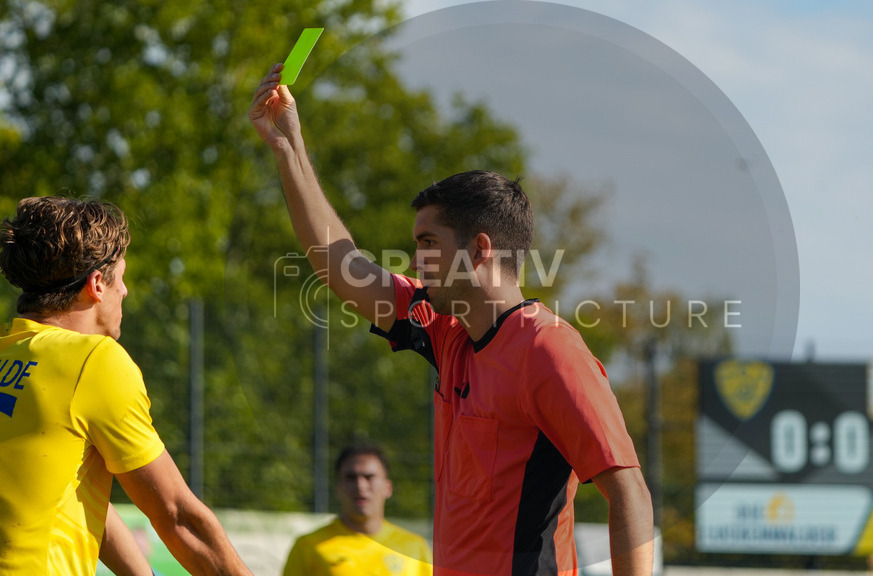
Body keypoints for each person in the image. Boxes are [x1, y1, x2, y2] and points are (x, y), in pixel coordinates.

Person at [250, 64, 654, 576]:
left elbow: (629, 491)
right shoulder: (449, 334)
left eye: (428, 243)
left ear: (479, 249)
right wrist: (288, 148)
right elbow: (341, 265)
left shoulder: (549, 350)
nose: (415, 260)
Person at [0, 197, 252, 576]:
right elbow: (177, 515)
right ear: (97, 285)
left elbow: (68, 492)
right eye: (121, 277)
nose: (126, 291)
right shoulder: (93, 360)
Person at [282, 444, 432, 576]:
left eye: (369, 477)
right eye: (351, 478)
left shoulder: (415, 547)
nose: (360, 486)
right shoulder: (308, 546)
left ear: (388, 487)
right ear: (338, 488)